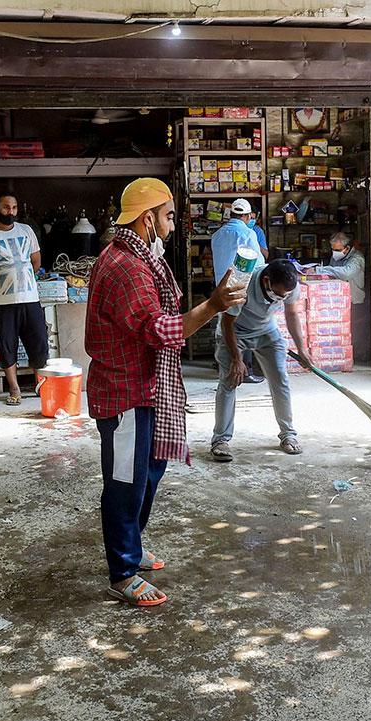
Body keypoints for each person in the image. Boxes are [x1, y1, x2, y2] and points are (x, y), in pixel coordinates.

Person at [85, 178, 246, 606]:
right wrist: (212, 306)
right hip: (124, 394)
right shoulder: (125, 267)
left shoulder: (141, 258)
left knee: (149, 474)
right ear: (147, 218)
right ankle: (121, 571)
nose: (174, 225)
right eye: (170, 216)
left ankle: (131, 547)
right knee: (125, 483)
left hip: (147, 387)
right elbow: (159, 330)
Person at [211, 260, 308, 462]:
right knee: (229, 381)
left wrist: (302, 349)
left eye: (286, 295)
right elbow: (228, 322)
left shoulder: (290, 285)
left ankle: (288, 434)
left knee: (280, 380)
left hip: (266, 330)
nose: (282, 298)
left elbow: (291, 314)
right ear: (266, 281)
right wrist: (237, 359)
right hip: (235, 331)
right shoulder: (242, 282)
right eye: (279, 294)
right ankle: (220, 440)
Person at [0, 193, 47, 405]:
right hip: (1, 302)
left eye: (14, 207)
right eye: (6, 207)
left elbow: (36, 261)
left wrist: (23, 281)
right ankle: (15, 389)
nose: (11, 211)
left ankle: (41, 386)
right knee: (7, 345)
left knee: (39, 343)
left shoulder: (26, 231)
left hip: (29, 298)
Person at [212, 199, 265, 383]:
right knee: (243, 329)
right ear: (247, 216)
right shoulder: (248, 234)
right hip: (242, 287)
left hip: (221, 288)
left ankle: (224, 365)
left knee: (224, 327)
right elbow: (258, 265)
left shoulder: (217, 235)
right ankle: (246, 369)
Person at [318, 232, 369, 363]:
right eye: (333, 249)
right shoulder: (336, 257)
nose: (334, 253)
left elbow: (346, 273)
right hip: (339, 301)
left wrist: (322, 270)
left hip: (355, 300)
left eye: (337, 250)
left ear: (347, 248)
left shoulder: (357, 258)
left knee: (355, 331)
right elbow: (332, 274)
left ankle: (358, 357)